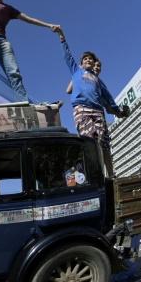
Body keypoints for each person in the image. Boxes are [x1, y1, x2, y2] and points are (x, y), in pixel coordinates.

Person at [57, 30, 129, 176]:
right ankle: (88, 173)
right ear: (81, 63)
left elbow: (109, 101)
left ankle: (110, 174)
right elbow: (68, 57)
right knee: (89, 139)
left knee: (103, 142)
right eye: (86, 59)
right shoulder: (77, 72)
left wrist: (119, 112)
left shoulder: (98, 81)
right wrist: (62, 38)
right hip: (81, 109)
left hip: (97, 111)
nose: (88, 61)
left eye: (91, 59)